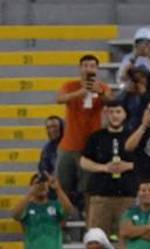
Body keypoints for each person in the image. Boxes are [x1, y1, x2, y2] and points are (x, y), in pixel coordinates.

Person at [56, 54, 117, 205]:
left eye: (92, 66)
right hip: (69, 145)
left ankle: (89, 221)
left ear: (97, 69)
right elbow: (60, 99)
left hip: (91, 146)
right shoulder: (70, 86)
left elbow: (112, 102)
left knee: (88, 188)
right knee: (62, 186)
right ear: (80, 68)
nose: (88, 69)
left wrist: (100, 93)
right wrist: (81, 92)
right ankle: (62, 220)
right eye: (85, 66)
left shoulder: (103, 87)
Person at [80, 102, 136, 235]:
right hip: (101, 196)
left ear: (125, 114)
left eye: (118, 112)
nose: (114, 116)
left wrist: (127, 166)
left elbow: (145, 162)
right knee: (97, 236)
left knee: (127, 238)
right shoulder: (96, 137)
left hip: (127, 196)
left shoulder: (133, 136)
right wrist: (104, 167)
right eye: (111, 112)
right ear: (106, 114)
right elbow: (83, 161)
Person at [118, 27, 150, 92]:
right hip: (134, 92)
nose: (143, 46)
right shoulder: (128, 58)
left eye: (146, 43)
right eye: (140, 43)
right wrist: (135, 57)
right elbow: (123, 77)